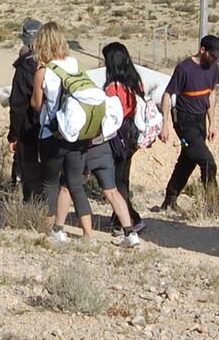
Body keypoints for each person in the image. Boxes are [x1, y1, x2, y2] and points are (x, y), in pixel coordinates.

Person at [32, 22, 139, 247]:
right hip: (80, 136)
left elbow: (36, 104)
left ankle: (52, 230)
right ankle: (91, 235)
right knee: (76, 184)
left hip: (53, 134)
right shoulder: (75, 64)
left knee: (51, 184)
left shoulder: (43, 71)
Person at [158, 35, 219, 212]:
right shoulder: (184, 69)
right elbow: (167, 95)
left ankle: (170, 199)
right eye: (212, 55)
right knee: (207, 162)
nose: (215, 59)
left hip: (200, 120)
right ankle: (213, 205)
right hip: (184, 122)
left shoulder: (214, 68)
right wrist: (165, 124)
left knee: (188, 160)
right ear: (202, 50)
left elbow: (211, 94)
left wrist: (212, 123)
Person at [99, 42, 154, 224]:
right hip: (132, 133)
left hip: (118, 135)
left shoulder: (113, 88)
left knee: (117, 182)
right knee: (123, 177)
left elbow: (111, 114)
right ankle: (119, 218)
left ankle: (130, 219)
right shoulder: (135, 82)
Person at [8, 18, 44, 203]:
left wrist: (13, 135)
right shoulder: (54, 61)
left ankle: (33, 207)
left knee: (29, 171)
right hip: (54, 127)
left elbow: (18, 104)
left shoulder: (24, 67)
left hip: (29, 128)